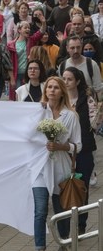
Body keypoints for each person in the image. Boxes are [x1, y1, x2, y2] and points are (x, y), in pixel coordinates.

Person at [33, 76, 81, 250]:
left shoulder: (71, 116)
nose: (51, 90)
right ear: (45, 91)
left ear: (62, 92)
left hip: (60, 168)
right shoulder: (38, 111)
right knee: (40, 211)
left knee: (61, 211)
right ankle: (40, 247)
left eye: (56, 88)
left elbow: (78, 145)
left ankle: (64, 242)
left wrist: (61, 146)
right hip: (40, 167)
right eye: (49, 87)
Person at [62, 67, 96, 235]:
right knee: (63, 186)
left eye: (69, 79)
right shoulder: (59, 100)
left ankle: (81, 223)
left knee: (81, 187)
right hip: (63, 151)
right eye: (64, 78)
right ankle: (66, 221)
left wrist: (97, 118)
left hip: (84, 151)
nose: (66, 82)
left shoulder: (87, 100)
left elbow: (94, 125)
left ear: (77, 81)